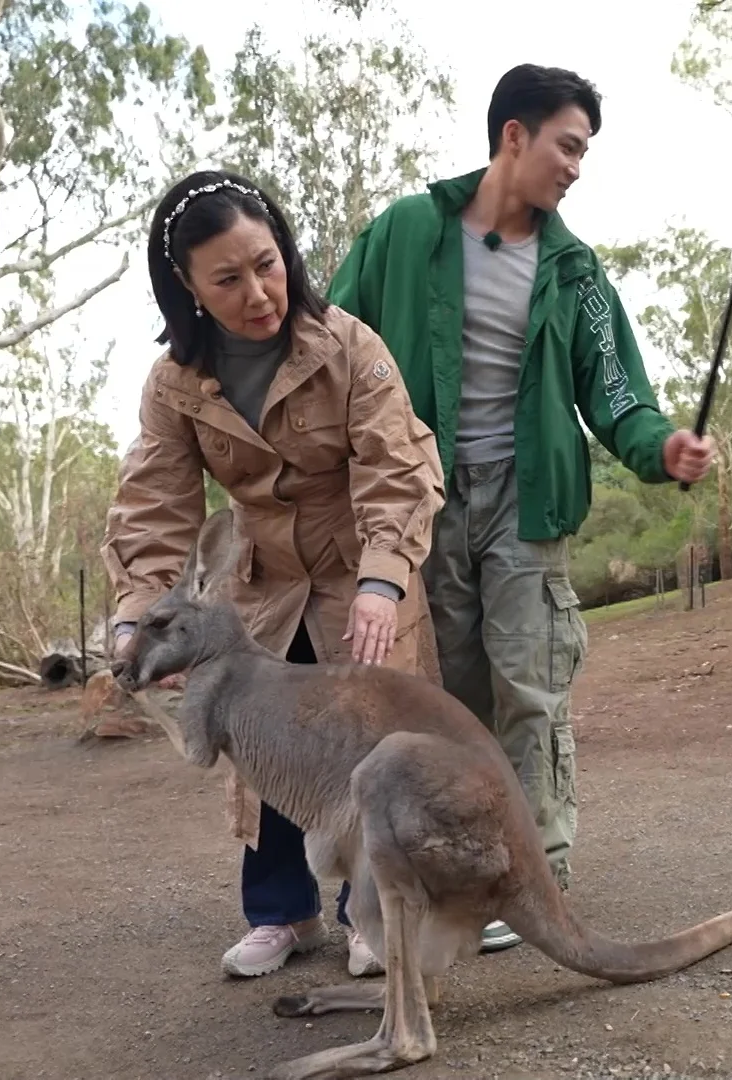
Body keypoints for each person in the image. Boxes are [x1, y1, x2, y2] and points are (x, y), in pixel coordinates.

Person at [328, 64, 716, 952]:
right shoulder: (405, 232)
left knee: (530, 689)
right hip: (424, 501)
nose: (576, 167)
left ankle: (535, 879)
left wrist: (662, 447)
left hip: (525, 502)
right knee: (452, 701)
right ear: (514, 135)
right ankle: (468, 870)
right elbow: (332, 343)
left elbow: (617, 391)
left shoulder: (575, 272)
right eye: (567, 146)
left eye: (584, 153)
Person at [103, 169, 445, 981]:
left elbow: (396, 468)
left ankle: (369, 914)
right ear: (187, 287)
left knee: (365, 744)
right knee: (261, 740)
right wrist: (135, 617)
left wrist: (383, 581)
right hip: (260, 585)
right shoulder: (175, 384)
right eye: (227, 279)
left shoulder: (348, 345)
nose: (257, 293)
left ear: (285, 250)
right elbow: (155, 505)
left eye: (267, 264)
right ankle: (281, 912)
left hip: (361, 571)